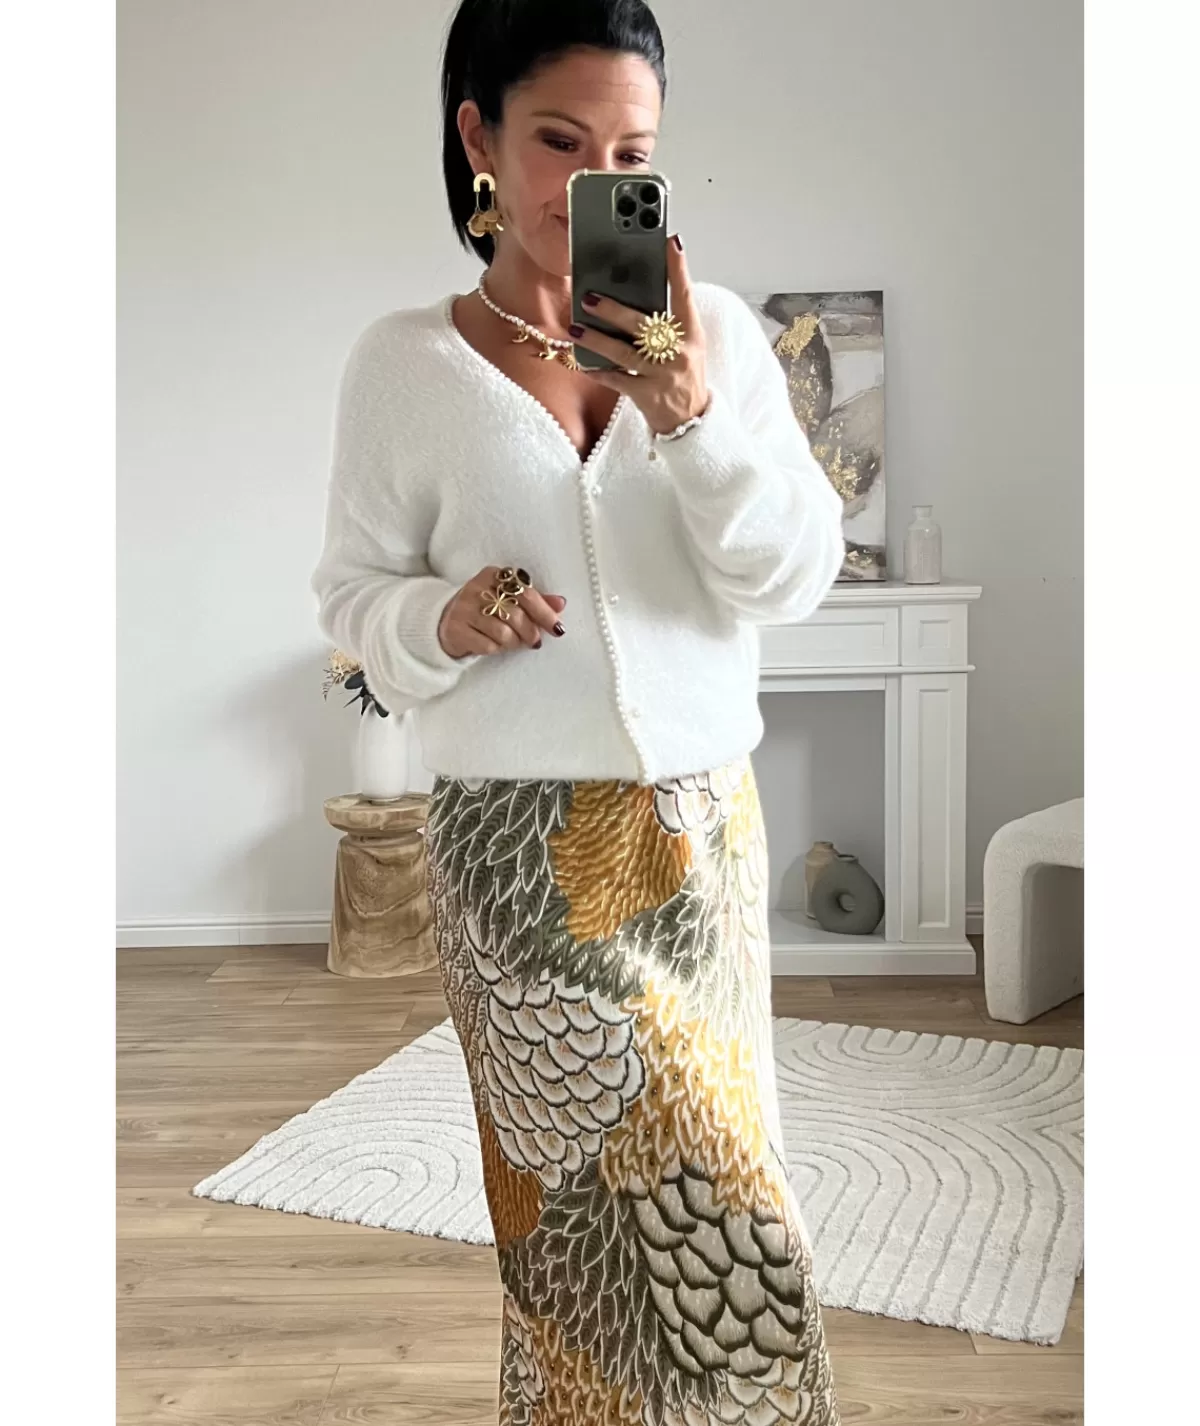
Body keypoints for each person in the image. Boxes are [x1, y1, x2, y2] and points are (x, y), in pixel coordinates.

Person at [311, 1, 845, 1420]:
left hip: (697, 835)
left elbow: (794, 574)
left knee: (732, 1201)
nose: (593, 181)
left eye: (631, 153)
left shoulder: (717, 339)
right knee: (572, 1240)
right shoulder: (403, 365)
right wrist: (443, 619)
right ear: (477, 136)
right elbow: (352, 595)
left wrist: (689, 415)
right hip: (511, 856)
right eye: (559, 139)